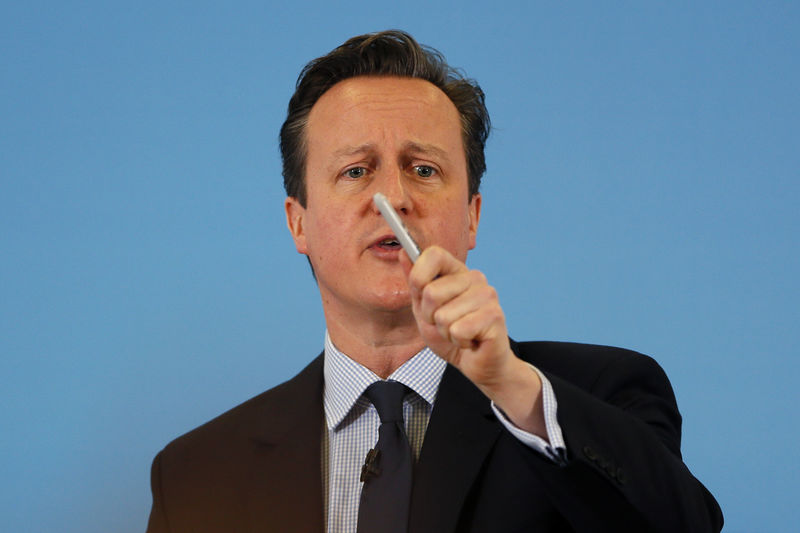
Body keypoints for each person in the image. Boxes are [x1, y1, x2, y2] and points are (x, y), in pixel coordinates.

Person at [146, 30, 723, 533]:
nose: (394, 197)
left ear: (472, 216)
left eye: (424, 169)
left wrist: (512, 388)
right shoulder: (196, 472)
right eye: (356, 170)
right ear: (299, 222)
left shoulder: (598, 395)